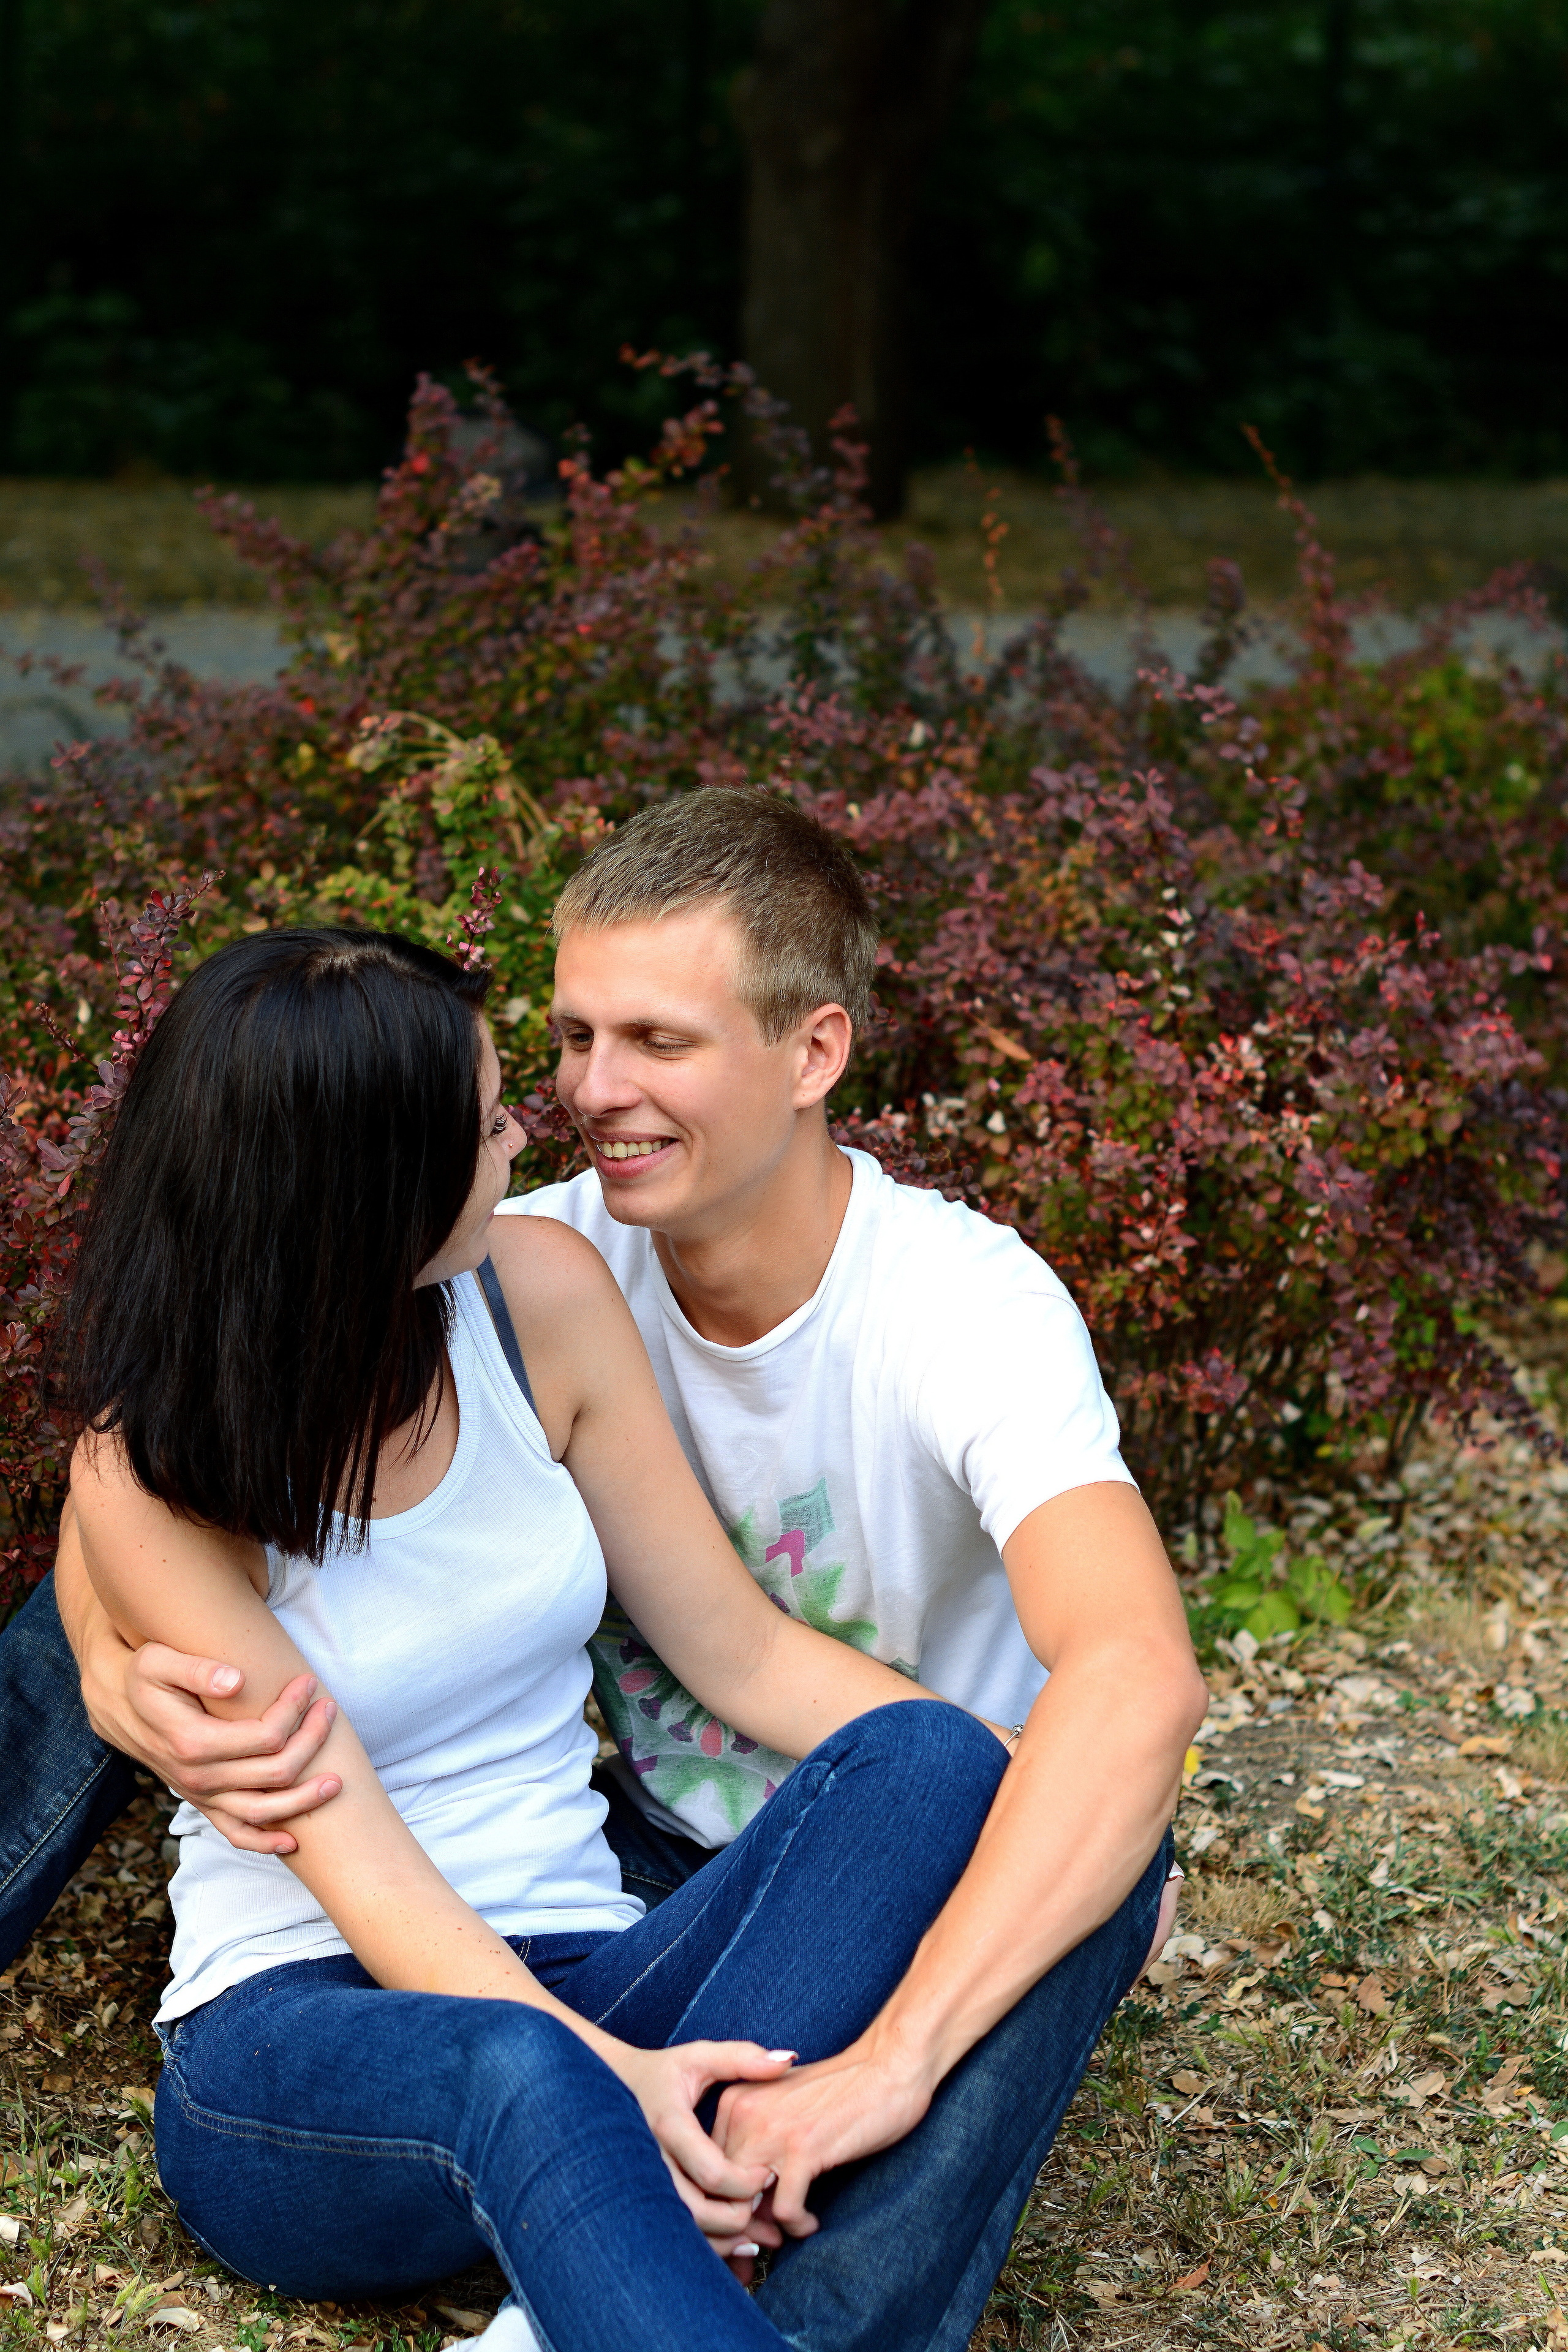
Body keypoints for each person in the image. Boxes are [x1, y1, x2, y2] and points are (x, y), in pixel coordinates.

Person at [5, 793, 1204, 2329]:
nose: (555, 1115)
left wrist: (1042, 1812)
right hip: (316, 2034)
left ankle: (568, 2308)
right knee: (525, 2071)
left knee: (947, 1769)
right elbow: (353, 1853)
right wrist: (108, 1652)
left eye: (647, 1043)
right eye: (523, 1083)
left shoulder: (548, 1286)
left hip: (594, 1951)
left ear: (811, 1051)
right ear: (369, 1179)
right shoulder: (170, 1452)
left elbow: (746, 1649)